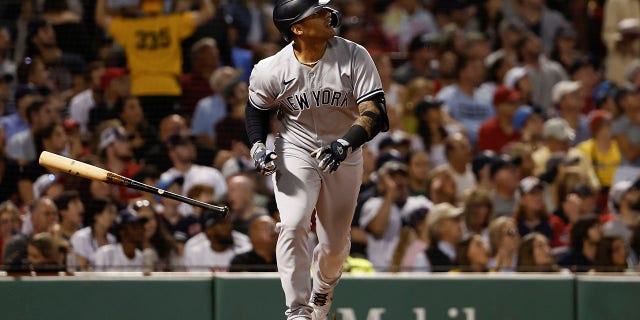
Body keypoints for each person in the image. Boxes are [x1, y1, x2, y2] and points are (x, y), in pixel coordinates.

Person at [244, 1, 389, 319]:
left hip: (345, 151)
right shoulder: (272, 68)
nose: (327, 14)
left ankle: (323, 290)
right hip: (295, 148)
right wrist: (257, 145)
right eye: (317, 12)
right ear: (297, 28)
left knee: (335, 243)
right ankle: (297, 309)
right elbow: (256, 108)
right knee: (293, 224)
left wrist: (343, 145)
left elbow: (376, 113)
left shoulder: (353, 54)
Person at [95, 0, 215, 127]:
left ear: (141, 6)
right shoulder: (173, 23)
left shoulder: (130, 27)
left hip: (141, 89)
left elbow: (100, 18)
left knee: (145, 134)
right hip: (168, 88)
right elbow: (208, 12)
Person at [69, 198, 117, 270]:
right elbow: (83, 268)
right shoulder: (81, 237)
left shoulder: (112, 239)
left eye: (115, 213)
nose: (114, 217)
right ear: (97, 215)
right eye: (110, 212)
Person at [426, 202, 464, 272]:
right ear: (439, 226)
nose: (460, 224)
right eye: (454, 219)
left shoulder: (464, 254)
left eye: (459, 219)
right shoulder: (425, 258)